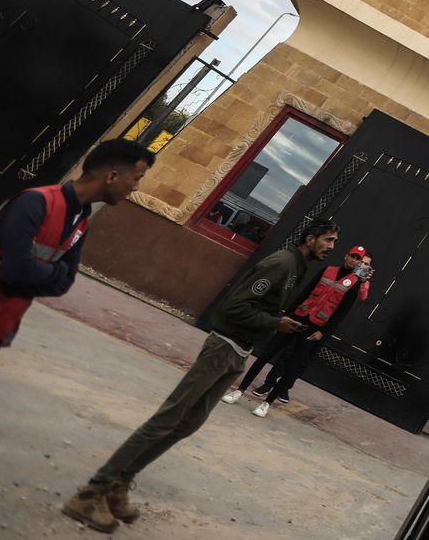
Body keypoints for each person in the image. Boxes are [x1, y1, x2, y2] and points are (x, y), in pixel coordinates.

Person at [62, 220, 338, 532]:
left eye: (334, 242)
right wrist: (275, 323)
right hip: (222, 347)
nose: (331, 248)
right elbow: (234, 307)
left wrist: (274, 322)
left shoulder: (297, 267)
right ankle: (91, 493)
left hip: (238, 353)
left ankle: (118, 485)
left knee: (188, 423)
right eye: (328, 240)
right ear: (310, 238)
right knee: (166, 420)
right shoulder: (281, 263)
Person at [0, 140, 153, 367]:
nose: (135, 187)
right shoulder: (36, 202)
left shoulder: (81, 222)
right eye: (136, 178)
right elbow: (16, 271)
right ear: (111, 176)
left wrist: (36, 274)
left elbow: (63, 284)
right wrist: (54, 271)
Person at [224, 243, 374, 416]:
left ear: (361, 263)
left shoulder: (355, 284)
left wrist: (323, 333)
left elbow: (341, 313)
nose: (353, 260)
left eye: (358, 259)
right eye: (352, 256)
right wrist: (287, 313)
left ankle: (267, 403)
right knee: (266, 354)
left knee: (293, 366)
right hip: (297, 317)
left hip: (315, 327)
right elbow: (306, 292)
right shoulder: (328, 270)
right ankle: (239, 390)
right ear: (346, 256)